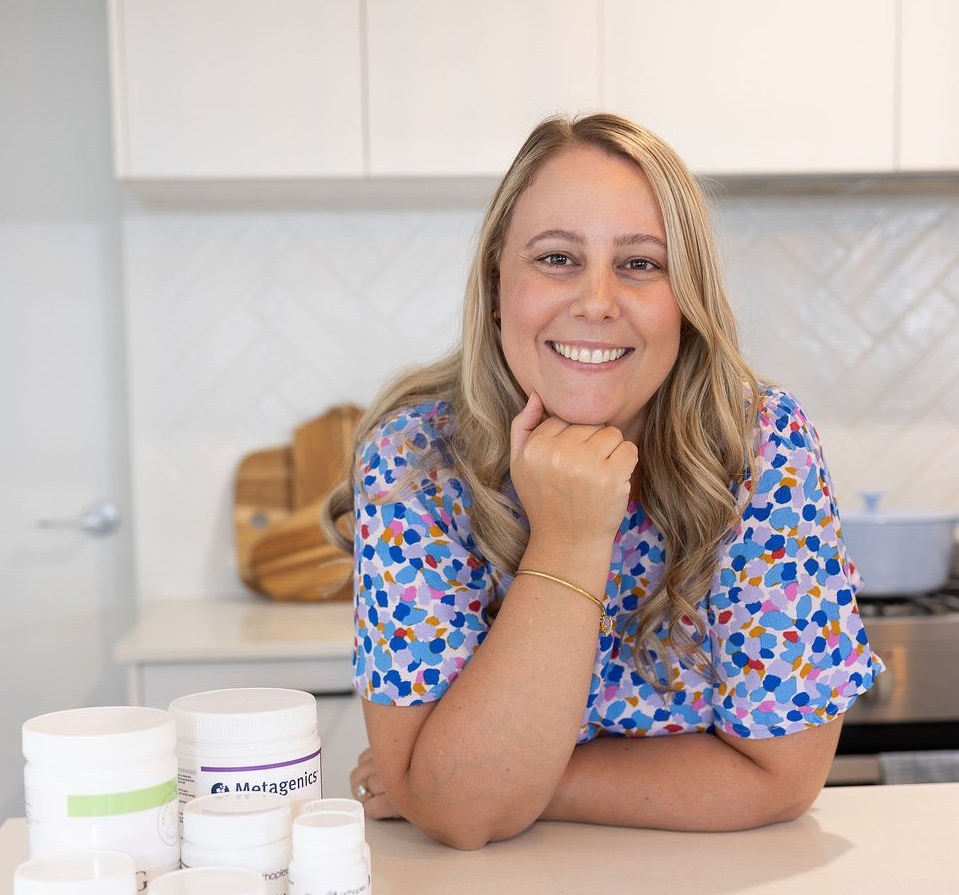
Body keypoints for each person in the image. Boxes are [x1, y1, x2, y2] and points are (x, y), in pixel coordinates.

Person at [323, 112, 883, 850]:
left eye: (640, 263)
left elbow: (780, 776)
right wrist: (568, 539)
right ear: (497, 286)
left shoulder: (761, 447)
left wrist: (495, 778)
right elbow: (460, 817)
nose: (596, 300)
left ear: (684, 298)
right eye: (556, 257)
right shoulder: (416, 461)